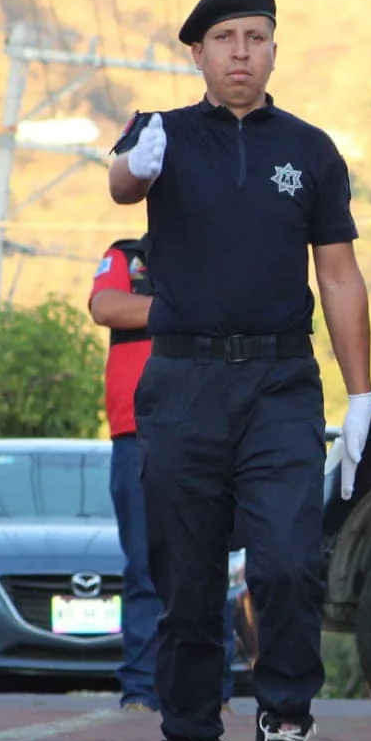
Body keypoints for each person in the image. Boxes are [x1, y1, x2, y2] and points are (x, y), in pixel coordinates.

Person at [108, 0, 371, 741]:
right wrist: (132, 167)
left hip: (279, 385)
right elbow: (120, 184)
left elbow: (337, 273)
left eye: (256, 36)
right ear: (197, 52)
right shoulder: (164, 134)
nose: (240, 52)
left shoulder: (310, 148)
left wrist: (362, 390)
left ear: (273, 48)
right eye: (225, 37)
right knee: (186, 592)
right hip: (182, 385)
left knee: (289, 569)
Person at [88, 234, 240, 716]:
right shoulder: (126, 254)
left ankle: (215, 689)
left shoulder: (216, 249)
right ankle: (140, 689)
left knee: (208, 560)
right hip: (134, 431)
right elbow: (106, 306)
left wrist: (157, 310)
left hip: (204, 425)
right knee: (142, 565)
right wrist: (178, 309)